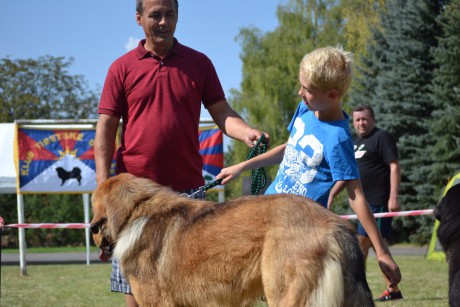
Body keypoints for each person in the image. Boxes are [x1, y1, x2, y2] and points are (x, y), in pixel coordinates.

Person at [94, 0, 268, 306]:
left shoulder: (199, 63)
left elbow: (222, 113)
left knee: (191, 287)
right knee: (136, 290)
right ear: (139, 19)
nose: (163, 21)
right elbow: (106, 128)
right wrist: (103, 188)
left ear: (177, 17)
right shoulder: (121, 68)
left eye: (169, 14)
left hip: (187, 192)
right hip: (134, 199)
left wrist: (246, 132)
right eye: (155, 15)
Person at [216, 46, 402, 293]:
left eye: (308, 90)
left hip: (298, 229)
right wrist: (242, 166)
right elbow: (289, 148)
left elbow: (356, 196)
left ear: (333, 94)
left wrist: (381, 252)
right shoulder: (305, 109)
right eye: (301, 85)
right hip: (268, 212)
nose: (300, 92)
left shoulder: (338, 139)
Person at [351, 105, 402, 301]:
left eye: (364, 119)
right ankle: (393, 289)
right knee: (375, 244)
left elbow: (394, 166)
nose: (361, 123)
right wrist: (332, 194)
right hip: (361, 203)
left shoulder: (382, 138)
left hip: (378, 201)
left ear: (372, 119)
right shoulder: (355, 142)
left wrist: (393, 196)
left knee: (363, 242)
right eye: (357, 120)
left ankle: (354, 288)